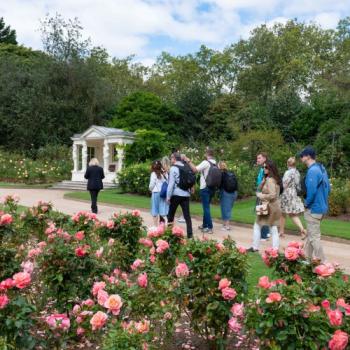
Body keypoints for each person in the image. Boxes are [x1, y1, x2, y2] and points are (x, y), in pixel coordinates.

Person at [299, 147, 330, 262]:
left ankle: (324, 263)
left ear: (308, 156)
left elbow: (311, 192)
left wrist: (306, 204)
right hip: (321, 207)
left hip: (313, 208)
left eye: (302, 156)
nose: (301, 158)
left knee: (314, 237)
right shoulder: (321, 168)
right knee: (311, 235)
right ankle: (307, 259)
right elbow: (328, 189)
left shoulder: (312, 171)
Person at [248, 160, 282, 252]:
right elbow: (259, 189)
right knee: (273, 228)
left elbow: (272, 195)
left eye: (266, 167)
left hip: (268, 206)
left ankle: (255, 247)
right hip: (273, 207)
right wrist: (263, 183)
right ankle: (275, 249)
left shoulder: (270, 180)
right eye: (263, 167)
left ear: (271, 168)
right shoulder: (272, 179)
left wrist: (260, 195)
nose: (264, 169)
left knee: (258, 225)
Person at [184, 148, 220, 234]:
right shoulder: (215, 163)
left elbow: (195, 170)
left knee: (206, 208)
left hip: (205, 188)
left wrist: (188, 161)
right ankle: (204, 225)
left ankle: (209, 227)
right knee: (206, 207)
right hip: (212, 188)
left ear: (206, 154)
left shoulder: (205, 162)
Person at [167, 152, 193, 239]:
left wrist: (168, 196)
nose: (171, 160)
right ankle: (190, 235)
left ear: (174, 158)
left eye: (171, 158)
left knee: (171, 214)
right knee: (187, 216)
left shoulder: (173, 168)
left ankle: (169, 233)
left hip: (176, 194)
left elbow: (171, 184)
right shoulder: (186, 166)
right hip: (186, 194)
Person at [279, 157, 306, 239]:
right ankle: (281, 232)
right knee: (287, 213)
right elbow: (298, 185)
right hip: (293, 193)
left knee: (287, 213)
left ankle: (302, 230)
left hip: (286, 193)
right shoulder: (297, 172)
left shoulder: (288, 172)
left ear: (288, 164)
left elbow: (284, 184)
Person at [218, 161, 238, 231]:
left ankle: (227, 226)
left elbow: (219, 185)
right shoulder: (231, 173)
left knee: (225, 209)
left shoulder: (221, 174)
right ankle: (224, 224)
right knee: (228, 209)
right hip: (234, 193)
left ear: (219, 167)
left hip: (225, 193)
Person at [149, 160, 169, 226]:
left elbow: (152, 184)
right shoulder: (163, 173)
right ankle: (164, 225)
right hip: (163, 193)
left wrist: (150, 189)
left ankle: (155, 227)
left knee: (155, 211)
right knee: (162, 210)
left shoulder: (153, 174)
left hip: (155, 193)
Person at [256, 152, 270, 241]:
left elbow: (264, 181)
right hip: (263, 193)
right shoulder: (265, 167)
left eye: (259, 158)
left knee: (262, 213)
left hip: (262, 193)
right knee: (264, 213)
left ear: (264, 158)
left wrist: (260, 190)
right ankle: (267, 233)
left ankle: (264, 235)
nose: (258, 160)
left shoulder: (265, 168)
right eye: (257, 158)